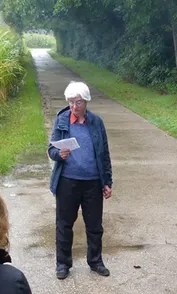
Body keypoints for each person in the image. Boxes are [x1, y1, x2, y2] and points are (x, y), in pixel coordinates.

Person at [48, 81, 113, 280]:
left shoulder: (96, 122)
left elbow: (104, 154)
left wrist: (107, 181)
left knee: (94, 226)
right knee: (64, 225)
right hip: (67, 182)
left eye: (78, 102)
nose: (74, 106)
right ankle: (63, 264)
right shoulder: (62, 120)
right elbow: (51, 150)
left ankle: (95, 261)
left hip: (92, 182)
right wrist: (59, 154)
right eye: (70, 102)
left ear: (86, 102)